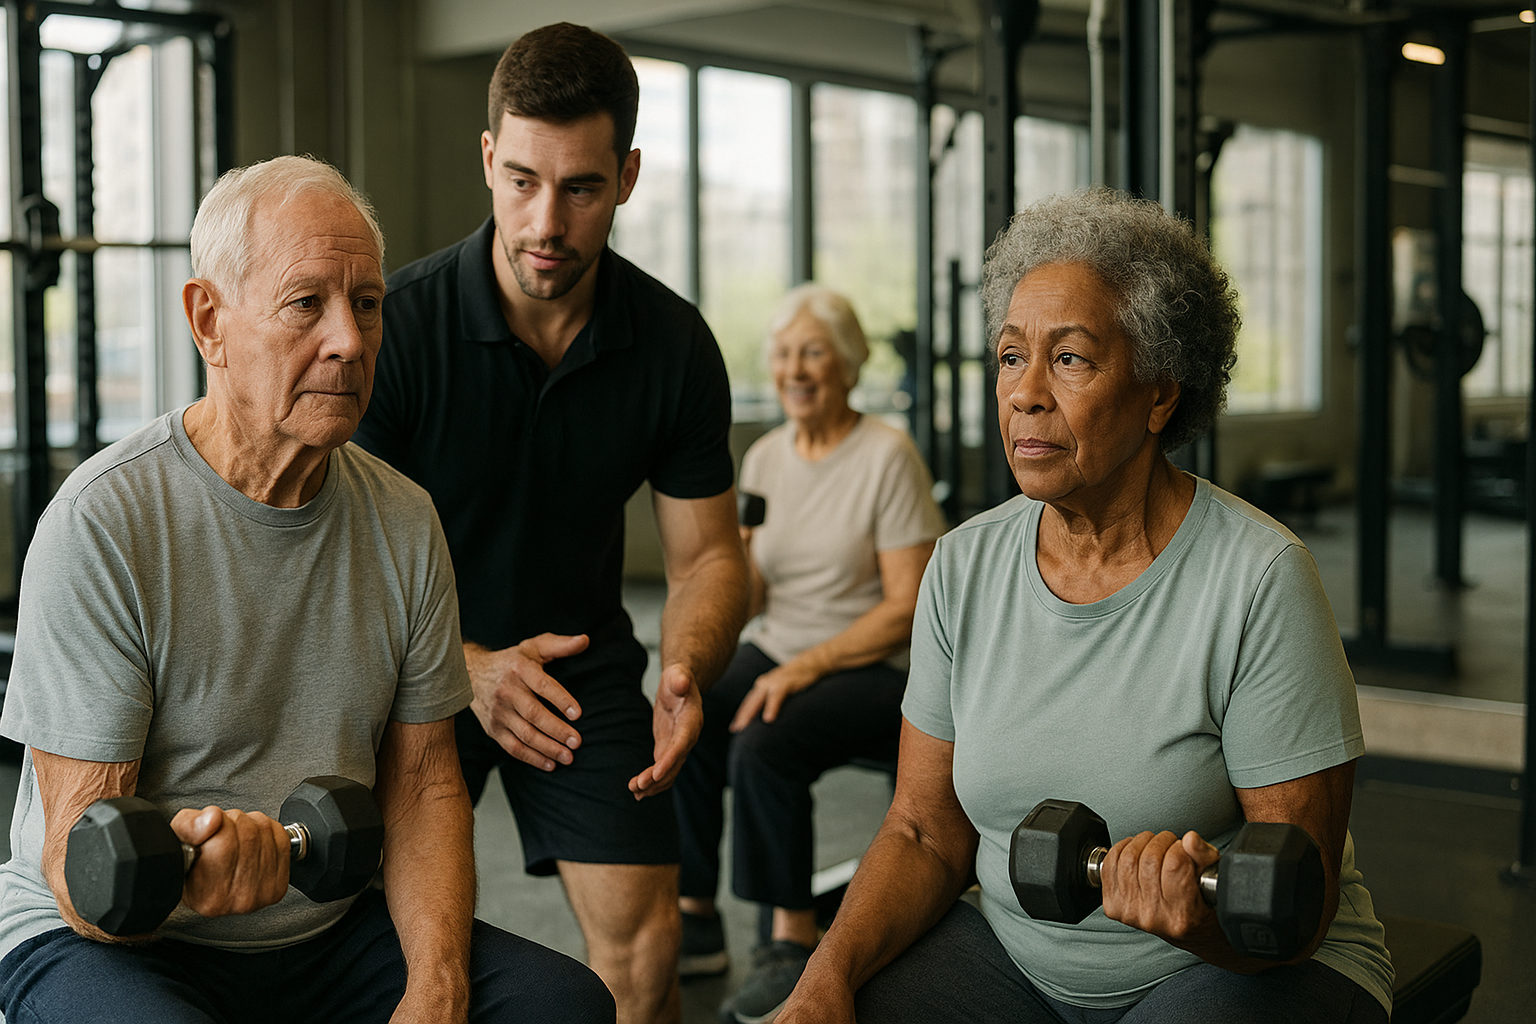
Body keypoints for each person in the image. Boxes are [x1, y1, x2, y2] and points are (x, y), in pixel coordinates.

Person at [0, 155, 614, 1024]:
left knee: (563, 1006)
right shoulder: (105, 523)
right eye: (306, 303)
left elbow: (424, 783)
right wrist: (191, 877)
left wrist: (435, 991)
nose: (350, 341)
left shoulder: (404, 520)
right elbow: (78, 862)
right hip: (116, 943)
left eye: (367, 305)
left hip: (323, 931)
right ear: (209, 322)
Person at [776, 189, 1395, 1024]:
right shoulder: (962, 567)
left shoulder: (1259, 578)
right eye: (1008, 357)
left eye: (1069, 359)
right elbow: (924, 832)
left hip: (1236, 970)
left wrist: (1198, 922)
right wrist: (824, 979)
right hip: (1014, 957)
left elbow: (1297, 903)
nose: (1025, 394)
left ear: (1159, 394)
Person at [351, 23, 749, 1024]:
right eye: (522, 180)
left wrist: (688, 665)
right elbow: (335, 560)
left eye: (580, 188)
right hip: (407, 661)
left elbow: (709, 558)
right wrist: (465, 666)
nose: (546, 221)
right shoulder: (400, 330)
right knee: (366, 942)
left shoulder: (672, 345)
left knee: (645, 952)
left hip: (576, 658)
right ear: (488, 160)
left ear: (627, 176)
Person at [671, 285, 946, 1023]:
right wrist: (703, 628)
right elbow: (752, 586)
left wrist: (805, 667)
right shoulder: (763, 459)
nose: (796, 369)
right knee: (689, 706)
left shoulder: (888, 456)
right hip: (780, 647)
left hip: (873, 667)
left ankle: (788, 941)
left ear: (849, 365)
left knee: (765, 738)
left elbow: (907, 604)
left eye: (813, 352)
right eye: (785, 354)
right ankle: (695, 910)